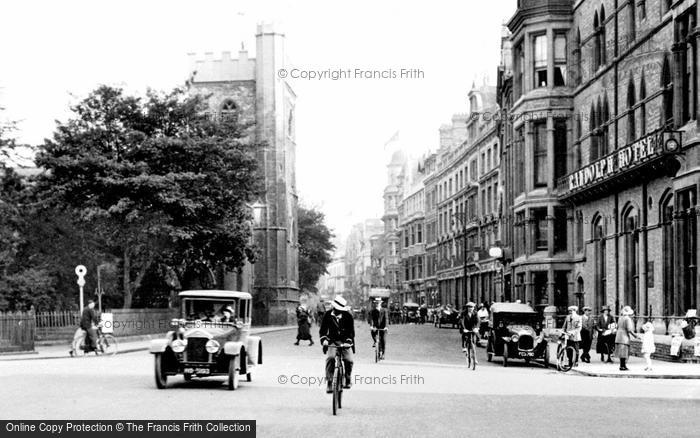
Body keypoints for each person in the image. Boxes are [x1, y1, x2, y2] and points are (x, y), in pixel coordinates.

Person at [320, 296, 355, 393]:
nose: (336, 311)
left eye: (339, 310)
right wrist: (324, 340)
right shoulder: (327, 315)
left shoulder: (348, 316)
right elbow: (323, 330)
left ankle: (347, 378)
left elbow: (351, 333)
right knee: (330, 358)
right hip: (332, 341)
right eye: (335, 309)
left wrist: (348, 342)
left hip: (345, 342)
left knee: (349, 360)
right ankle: (329, 382)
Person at [615, 305, 639, 371]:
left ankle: (622, 365)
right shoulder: (627, 319)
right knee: (624, 351)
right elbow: (629, 329)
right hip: (624, 336)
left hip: (619, 336)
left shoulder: (620, 318)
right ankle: (623, 366)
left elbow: (617, 326)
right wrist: (635, 336)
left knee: (621, 351)